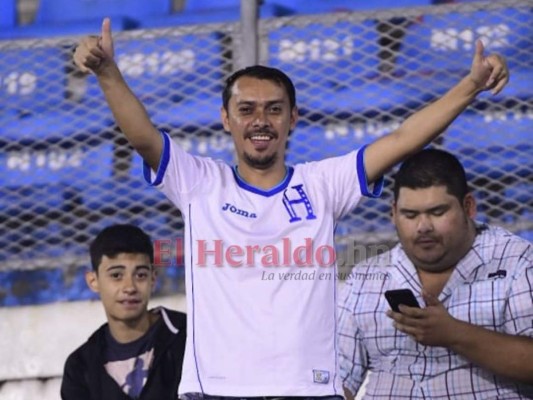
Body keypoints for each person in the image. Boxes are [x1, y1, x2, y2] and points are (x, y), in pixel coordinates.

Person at [72, 17, 508, 398]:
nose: (260, 120)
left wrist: (470, 85)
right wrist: (108, 72)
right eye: (246, 109)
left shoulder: (322, 184)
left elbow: (401, 140)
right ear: (227, 119)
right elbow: (144, 137)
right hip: (216, 392)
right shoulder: (199, 183)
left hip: (310, 390)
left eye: (273, 109)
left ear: (293, 119)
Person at [338, 149, 533, 400]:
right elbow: (337, 377)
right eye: (410, 215)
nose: (423, 227)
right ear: (393, 213)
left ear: (468, 207)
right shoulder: (366, 277)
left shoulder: (518, 262)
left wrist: (454, 334)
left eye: (437, 212)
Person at [60, 224, 187, 400]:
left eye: (140, 275)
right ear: (93, 281)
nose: (129, 287)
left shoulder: (189, 339)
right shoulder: (80, 367)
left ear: (153, 278)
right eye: (116, 275)